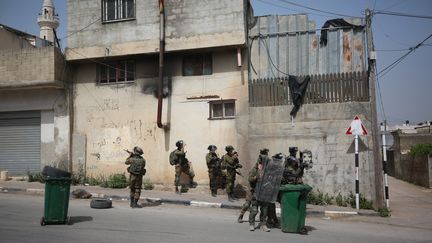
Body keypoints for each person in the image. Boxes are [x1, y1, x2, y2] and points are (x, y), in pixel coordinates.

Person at [238, 148, 269, 223]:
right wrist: (256, 177)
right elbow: (250, 179)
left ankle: (267, 220)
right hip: (252, 189)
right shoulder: (255, 168)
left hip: (260, 190)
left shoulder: (266, 165)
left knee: (264, 206)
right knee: (247, 204)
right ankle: (241, 215)